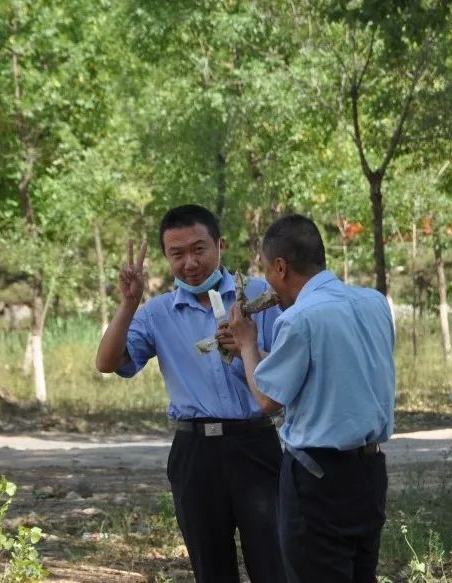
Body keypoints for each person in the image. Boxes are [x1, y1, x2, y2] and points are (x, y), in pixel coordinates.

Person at [95, 204, 286, 583]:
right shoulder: (157, 313)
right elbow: (106, 362)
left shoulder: (261, 296)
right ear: (166, 258)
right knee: (211, 568)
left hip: (256, 446)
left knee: (274, 565)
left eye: (199, 249)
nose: (190, 263)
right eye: (177, 254)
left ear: (220, 244)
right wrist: (129, 304)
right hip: (196, 453)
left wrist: (248, 349)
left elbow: (288, 366)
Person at [226, 213, 395, 583]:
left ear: (281, 267)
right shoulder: (374, 303)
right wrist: (249, 354)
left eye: (268, 272)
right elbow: (323, 373)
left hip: (318, 478)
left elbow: (268, 400)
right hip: (369, 472)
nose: (268, 283)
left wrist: (248, 343)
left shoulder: (300, 317)